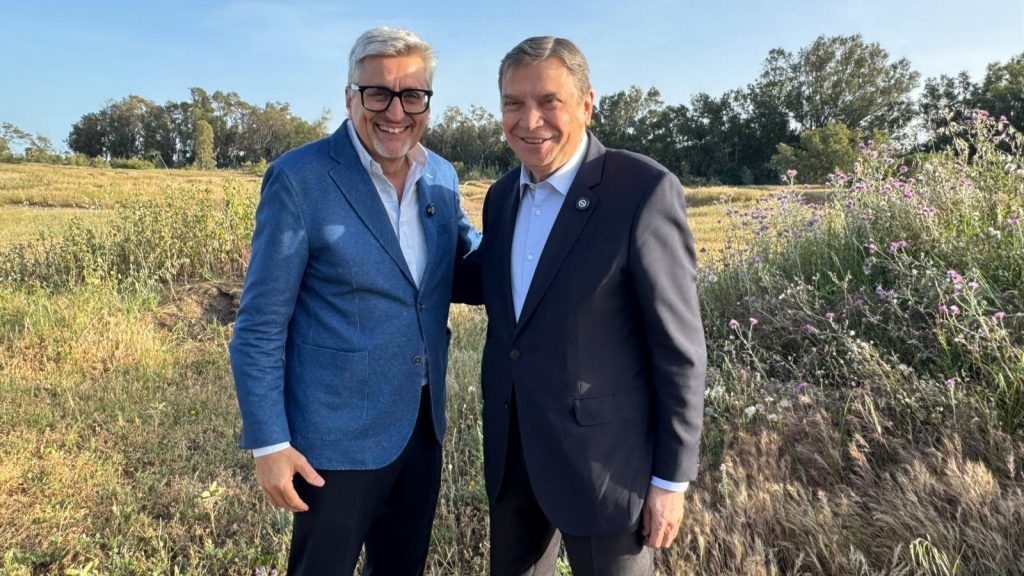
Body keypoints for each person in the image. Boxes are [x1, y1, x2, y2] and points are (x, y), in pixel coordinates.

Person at [229, 26, 478, 576]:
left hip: (420, 425)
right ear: (349, 96)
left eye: (412, 95)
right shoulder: (300, 179)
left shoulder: (441, 176)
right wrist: (269, 443)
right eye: (378, 93)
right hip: (334, 440)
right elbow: (260, 326)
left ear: (427, 103)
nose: (396, 111)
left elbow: (465, 261)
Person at [473, 36, 707, 575]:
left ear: (586, 104)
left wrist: (671, 480)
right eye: (513, 103)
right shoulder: (502, 196)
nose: (529, 121)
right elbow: (494, 285)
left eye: (548, 101)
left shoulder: (641, 190)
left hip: (609, 470)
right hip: (514, 460)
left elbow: (680, 349)